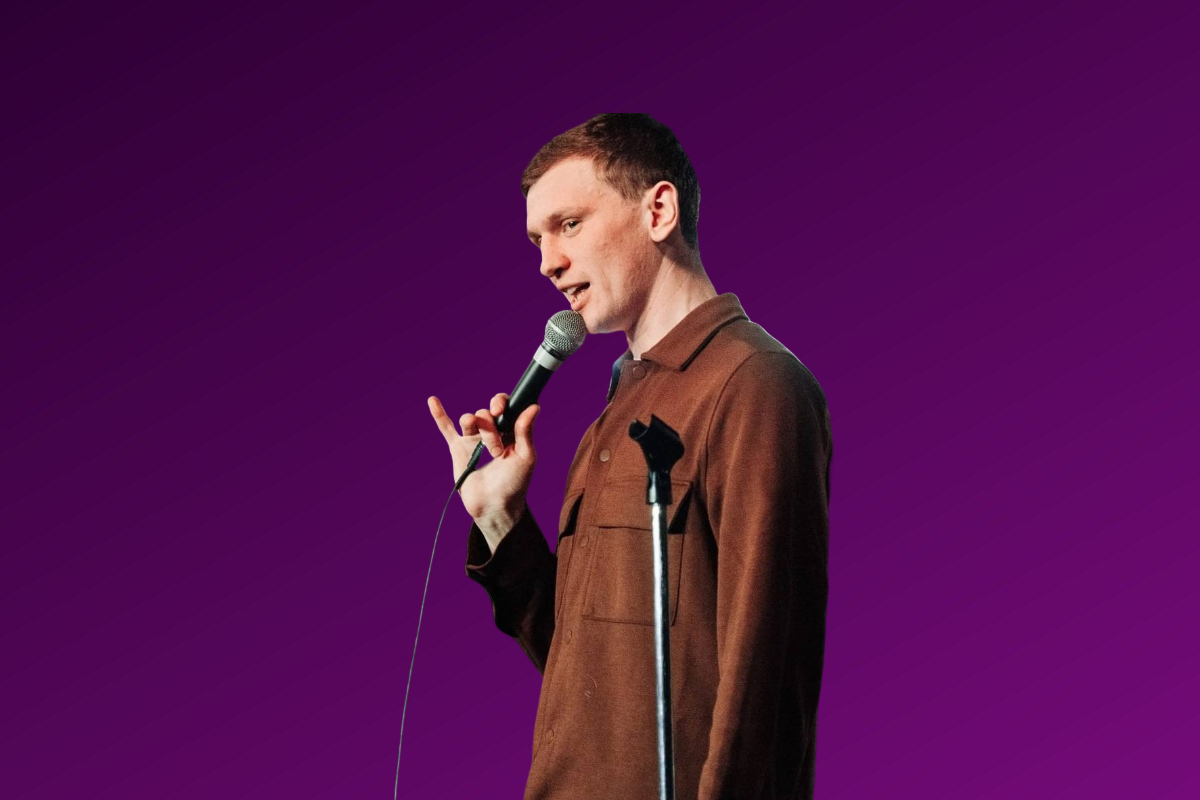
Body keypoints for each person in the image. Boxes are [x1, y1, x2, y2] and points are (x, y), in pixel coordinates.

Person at [428, 114, 832, 800]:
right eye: (538, 240)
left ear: (658, 211)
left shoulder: (753, 385)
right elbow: (589, 674)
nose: (547, 262)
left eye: (569, 225)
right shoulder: (613, 416)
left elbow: (766, 688)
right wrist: (501, 518)